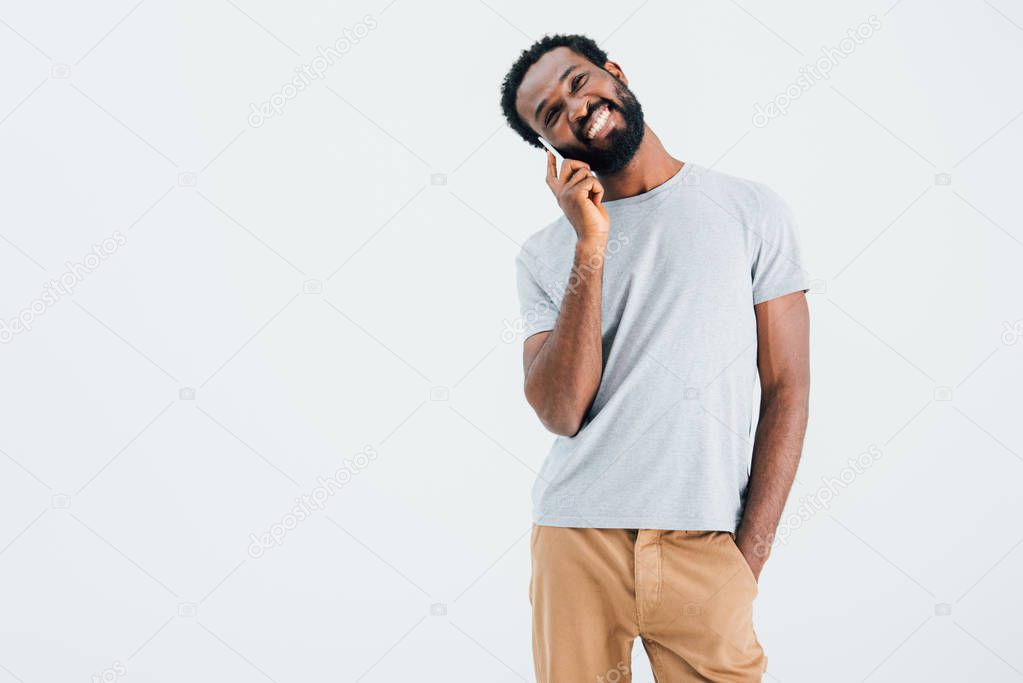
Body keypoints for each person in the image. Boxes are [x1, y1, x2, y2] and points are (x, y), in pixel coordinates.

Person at [500, 34, 811, 681]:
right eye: (551, 113)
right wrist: (590, 245)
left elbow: (786, 385)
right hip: (576, 538)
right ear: (548, 149)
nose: (574, 108)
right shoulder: (543, 254)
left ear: (614, 73)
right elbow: (559, 410)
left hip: (707, 541)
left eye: (577, 82)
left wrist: (747, 554)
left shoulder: (749, 209)